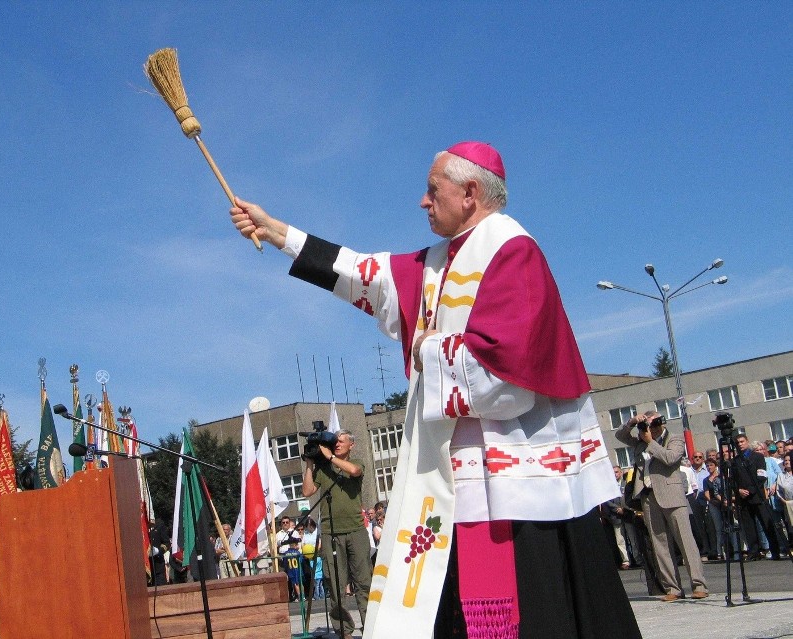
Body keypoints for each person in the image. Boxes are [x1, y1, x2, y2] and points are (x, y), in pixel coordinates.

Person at [230, 141, 638, 639]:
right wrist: (277, 233)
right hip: (453, 479)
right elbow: (365, 274)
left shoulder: (512, 249)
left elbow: (508, 379)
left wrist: (427, 347)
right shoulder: (437, 263)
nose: (422, 201)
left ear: (470, 192)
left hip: (515, 481)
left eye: (432, 189)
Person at [615, 411, 709, 601]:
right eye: (649, 424)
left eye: (655, 423)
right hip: (648, 497)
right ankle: (672, 588)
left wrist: (651, 442)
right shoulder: (640, 440)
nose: (653, 427)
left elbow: (670, 458)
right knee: (660, 544)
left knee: (685, 541)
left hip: (672, 495)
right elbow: (620, 435)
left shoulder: (673, 439)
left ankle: (699, 585)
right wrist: (633, 422)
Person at [301, 430, 372, 639]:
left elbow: (355, 470)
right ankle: (344, 631)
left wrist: (331, 457)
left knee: (363, 582)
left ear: (351, 445)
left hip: (356, 530)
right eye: (335, 441)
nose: (337, 444)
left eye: (342, 441)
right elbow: (307, 491)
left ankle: (370, 626)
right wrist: (309, 464)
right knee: (335, 585)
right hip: (331, 532)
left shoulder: (357, 461)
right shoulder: (324, 468)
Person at [731, 433, 783, 561]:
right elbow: (732, 480)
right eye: (738, 443)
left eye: (742, 441)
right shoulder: (735, 461)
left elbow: (762, 476)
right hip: (743, 498)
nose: (740, 444)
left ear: (747, 442)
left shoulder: (758, 457)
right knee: (749, 527)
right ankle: (754, 552)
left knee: (767, 524)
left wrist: (750, 490)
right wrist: (739, 491)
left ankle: (775, 550)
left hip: (758, 496)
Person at [702, 458, 725, 560]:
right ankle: (720, 552)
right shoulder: (706, 480)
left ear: (715, 466)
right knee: (718, 528)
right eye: (707, 466)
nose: (709, 467)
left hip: (724, 503)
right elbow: (707, 495)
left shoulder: (721, 477)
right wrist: (715, 502)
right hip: (714, 504)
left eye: (711, 465)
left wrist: (723, 501)